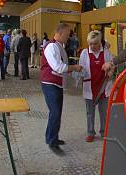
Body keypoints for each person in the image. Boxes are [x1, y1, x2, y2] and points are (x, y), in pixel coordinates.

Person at [40, 23, 82, 151]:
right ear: (59, 33)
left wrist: (72, 72)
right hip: (50, 83)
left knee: (57, 113)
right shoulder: (52, 46)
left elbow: (62, 68)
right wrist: (74, 68)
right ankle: (52, 141)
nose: (68, 37)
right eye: (67, 34)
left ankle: (52, 137)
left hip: (56, 84)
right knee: (55, 112)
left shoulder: (59, 46)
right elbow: (58, 67)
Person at [79, 31, 113, 142]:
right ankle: (90, 132)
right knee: (90, 112)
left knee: (104, 112)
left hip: (103, 87)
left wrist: (110, 71)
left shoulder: (106, 52)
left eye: (95, 44)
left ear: (100, 43)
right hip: (90, 87)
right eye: (91, 44)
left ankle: (104, 132)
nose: (93, 46)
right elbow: (80, 69)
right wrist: (79, 74)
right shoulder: (84, 53)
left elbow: (112, 65)